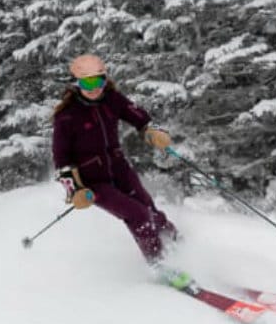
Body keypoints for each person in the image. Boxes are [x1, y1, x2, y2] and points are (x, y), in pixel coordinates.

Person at [52, 53, 182, 275]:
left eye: (98, 81)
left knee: (151, 211)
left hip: (120, 168)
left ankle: (180, 247)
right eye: (87, 82)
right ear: (76, 83)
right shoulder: (67, 116)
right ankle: (159, 264)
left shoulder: (112, 99)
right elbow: (62, 158)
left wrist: (151, 130)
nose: (94, 88)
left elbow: (138, 116)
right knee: (138, 215)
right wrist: (75, 190)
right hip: (93, 182)